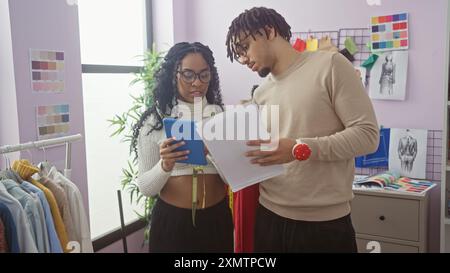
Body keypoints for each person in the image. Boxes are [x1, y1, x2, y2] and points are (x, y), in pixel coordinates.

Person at [226, 7, 379, 252]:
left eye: (244, 47)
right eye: (238, 53)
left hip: (323, 225)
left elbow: (368, 136)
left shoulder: (330, 65)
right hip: (268, 217)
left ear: (269, 31)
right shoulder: (261, 93)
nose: (243, 58)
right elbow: (262, 155)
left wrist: (300, 148)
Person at [132, 42, 233, 252]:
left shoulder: (220, 118)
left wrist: (214, 152)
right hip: (172, 223)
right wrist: (165, 165)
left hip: (216, 220)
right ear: (173, 74)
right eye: (188, 74)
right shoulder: (156, 120)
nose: (197, 82)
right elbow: (146, 187)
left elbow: (232, 178)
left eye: (204, 75)